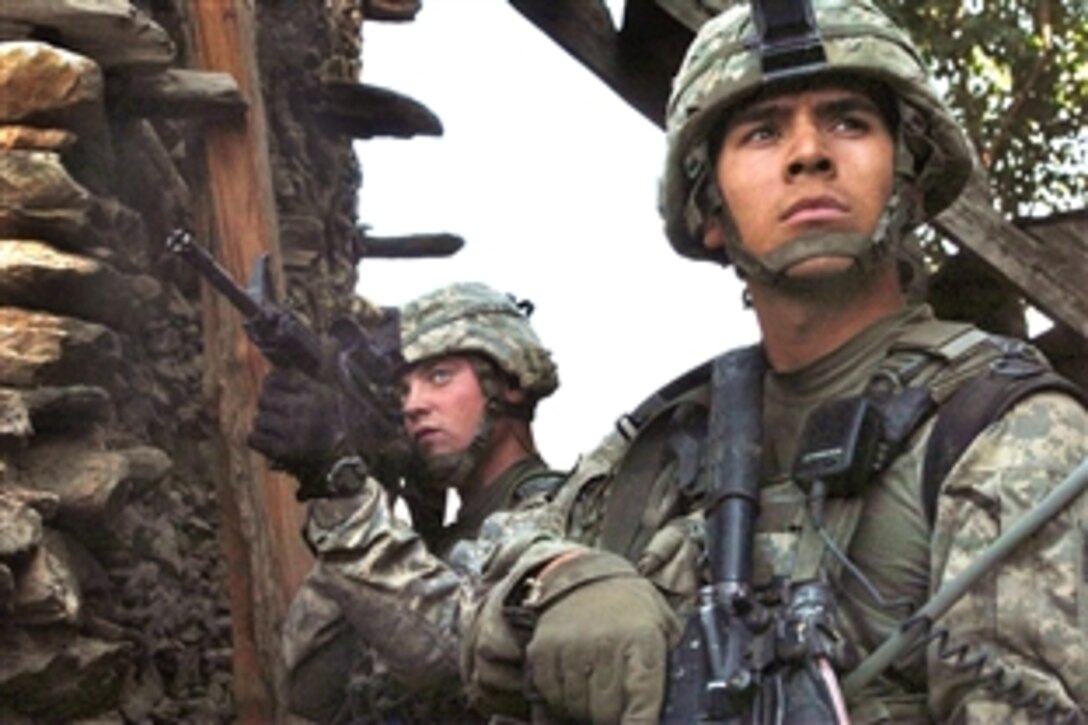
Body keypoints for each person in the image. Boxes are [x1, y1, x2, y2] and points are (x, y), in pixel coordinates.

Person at [455, 0, 1088, 722]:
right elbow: (479, 568)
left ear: (907, 183)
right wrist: (562, 576)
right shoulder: (674, 437)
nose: (809, 153)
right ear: (710, 210)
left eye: (849, 121)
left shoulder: (1002, 430)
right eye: (763, 131)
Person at [246, 281, 561, 722]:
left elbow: (460, 652)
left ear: (510, 382)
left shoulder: (560, 514)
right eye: (402, 391)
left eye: (439, 377)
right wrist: (347, 483)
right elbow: (312, 691)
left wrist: (342, 490)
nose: (414, 406)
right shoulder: (428, 550)